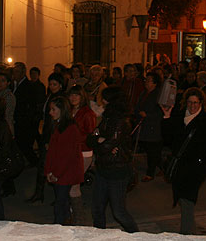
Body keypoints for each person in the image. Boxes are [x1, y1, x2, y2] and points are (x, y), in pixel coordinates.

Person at [87, 86, 139, 233]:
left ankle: (136, 235)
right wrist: (100, 140)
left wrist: (102, 142)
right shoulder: (107, 117)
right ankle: (100, 236)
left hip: (117, 171)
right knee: (97, 209)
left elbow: (106, 146)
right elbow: (91, 139)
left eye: (103, 98)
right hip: (103, 168)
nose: (101, 101)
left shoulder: (120, 121)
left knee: (119, 212)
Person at [170, 87, 206, 235]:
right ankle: (189, 230)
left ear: (201, 103)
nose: (192, 106)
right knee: (184, 199)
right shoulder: (178, 116)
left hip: (195, 167)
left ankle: (186, 233)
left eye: (196, 103)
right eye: (190, 102)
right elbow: (169, 139)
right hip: (180, 165)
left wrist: (205, 162)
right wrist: (166, 118)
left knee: (187, 199)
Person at [44, 96, 83, 224]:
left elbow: (66, 156)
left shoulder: (70, 128)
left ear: (62, 110)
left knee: (60, 205)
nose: (50, 113)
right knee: (62, 203)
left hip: (65, 173)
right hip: (59, 172)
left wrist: (55, 174)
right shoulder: (59, 125)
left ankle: (60, 228)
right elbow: (52, 152)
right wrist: (49, 171)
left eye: (53, 109)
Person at [28, 72, 65, 203]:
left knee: (51, 166)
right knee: (43, 165)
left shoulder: (60, 99)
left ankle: (58, 196)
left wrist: (50, 139)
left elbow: (57, 121)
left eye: (55, 84)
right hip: (46, 132)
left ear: (60, 85)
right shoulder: (50, 96)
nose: (52, 86)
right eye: (50, 84)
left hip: (52, 135)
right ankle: (39, 192)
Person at [67, 85, 97, 224]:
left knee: (74, 185)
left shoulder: (87, 113)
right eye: (71, 95)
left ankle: (78, 218)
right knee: (71, 184)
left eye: (76, 95)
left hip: (83, 152)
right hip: (72, 151)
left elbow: (90, 135)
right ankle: (74, 214)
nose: (73, 98)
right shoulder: (70, 111)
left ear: (82, 97)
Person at [135, 71, 164, 182]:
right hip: (144, 125)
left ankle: (150, 173)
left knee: (152, 150)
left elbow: (160, 112)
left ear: (155, 83)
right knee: (151, 150)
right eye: (146, 80)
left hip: (153, 126)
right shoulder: (144, 93)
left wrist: (148, 115)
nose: (146, 82)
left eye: (148, 80)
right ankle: (163, 166)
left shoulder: (158, 95)